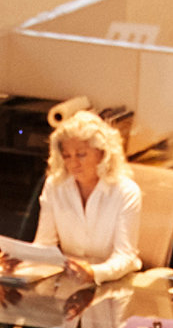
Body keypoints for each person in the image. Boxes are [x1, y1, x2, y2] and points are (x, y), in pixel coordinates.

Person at [34, 110, 144, 277]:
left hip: (114, 281)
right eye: (67, 156)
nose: (73, 163)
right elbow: (44, 244)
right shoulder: (55, 186)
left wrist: (94, 272)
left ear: (102, 153)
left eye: (81, 155)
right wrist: (21, 258)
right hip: (67, 279)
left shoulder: (126, 191)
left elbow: (125, 256)